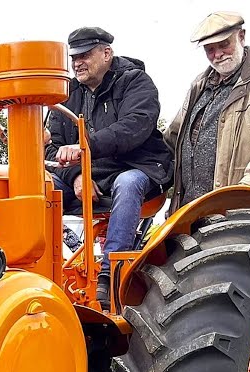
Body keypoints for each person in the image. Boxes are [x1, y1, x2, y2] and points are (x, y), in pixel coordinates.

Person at [47, 26, 172, 309]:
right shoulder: (66, 95)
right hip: (87, 174)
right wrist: (78, 175)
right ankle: (42, 267)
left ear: (106, 53)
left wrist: (85, 148)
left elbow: (134, 128)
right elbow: (53, 147)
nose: (77, 62)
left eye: (85, 55)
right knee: (41, 184)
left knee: (127, 184)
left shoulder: (136, 82)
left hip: (137, 165)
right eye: (73, 57)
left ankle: (110, 276)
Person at [165, 11, 250, 212]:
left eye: (223, 45)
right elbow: (172, 140)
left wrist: (248, 187)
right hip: (190, 214)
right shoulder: (198, 86)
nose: (217, 54)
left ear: (241, 36)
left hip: (248, 214)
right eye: (209, 49)